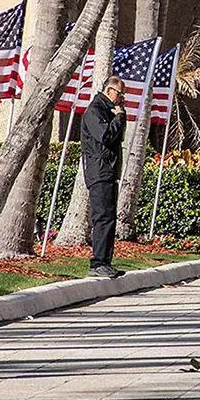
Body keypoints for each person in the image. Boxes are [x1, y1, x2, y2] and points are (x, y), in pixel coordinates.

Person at [80, 74, 128, 278]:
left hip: (108, 171)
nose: (122, 98)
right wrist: (119, 117)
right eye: (120, 94)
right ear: (109, 90)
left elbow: (117, 137)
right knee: (102, 218)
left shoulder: (109, 111)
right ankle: (98, 262)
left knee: (109, 218)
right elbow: (106, 136)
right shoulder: (95, 110)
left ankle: (105, 262)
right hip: (99, 171)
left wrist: (119, 116)